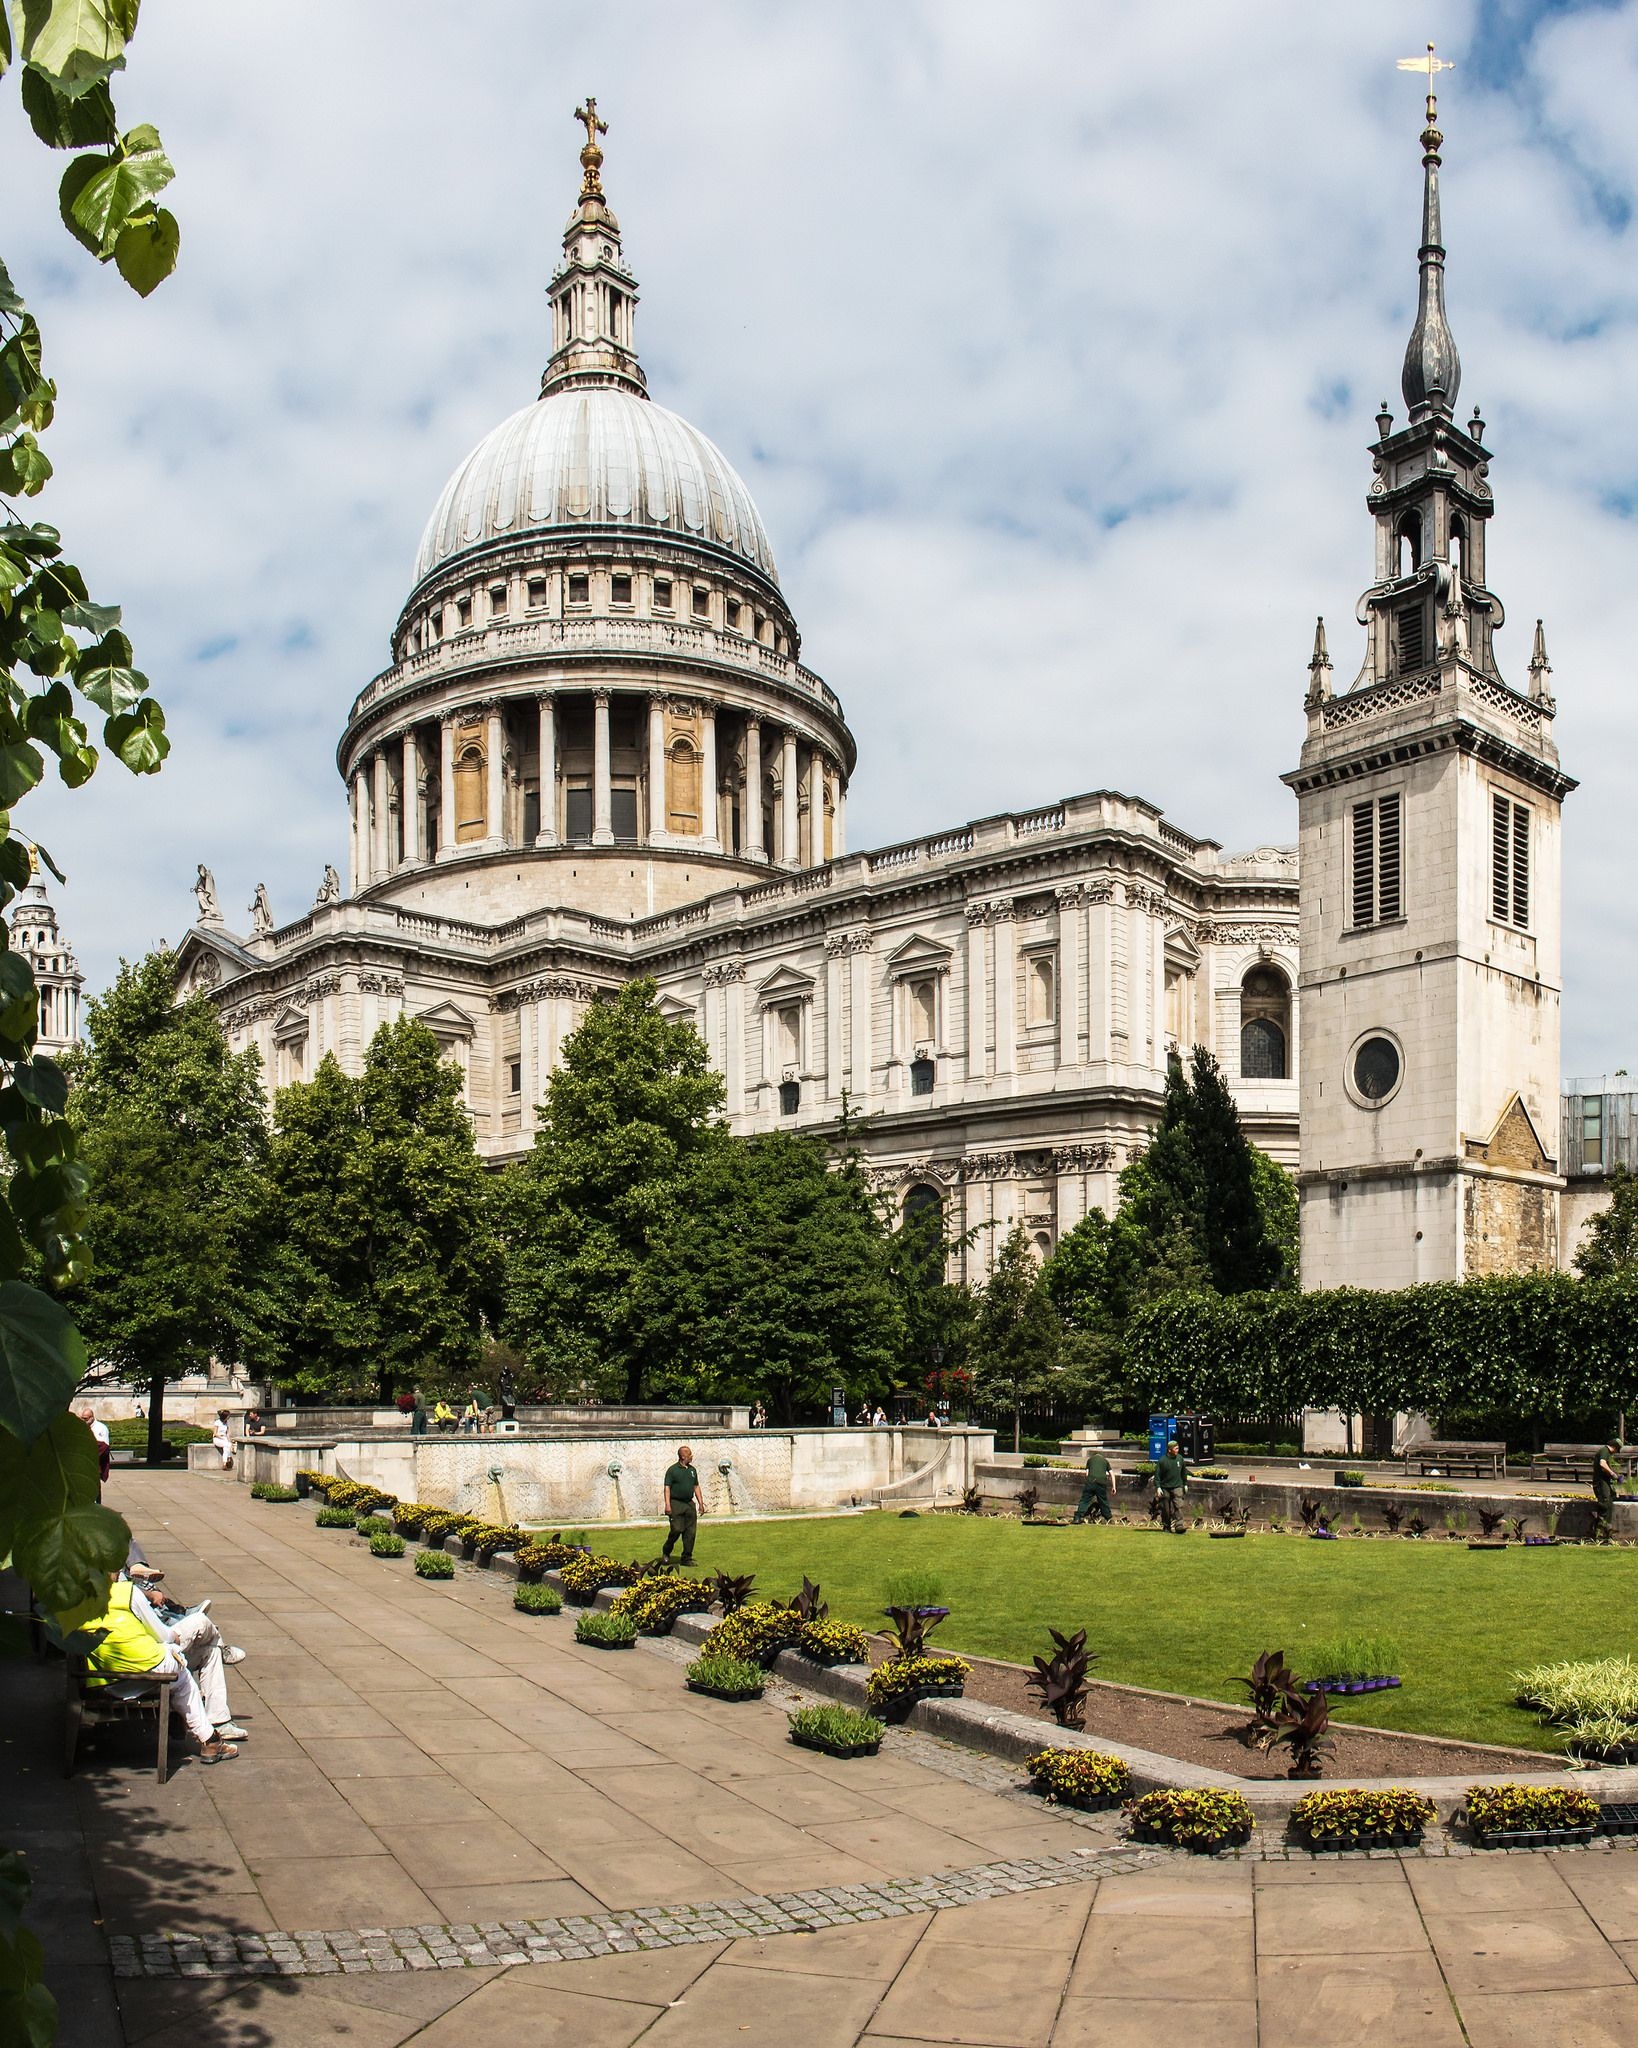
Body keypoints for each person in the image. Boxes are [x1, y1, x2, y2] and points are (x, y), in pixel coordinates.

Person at [81, 1574, 243, 1762]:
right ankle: (210, 1739)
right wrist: (174, 1639)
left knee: (209, 1652)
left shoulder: (72, 1600)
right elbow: (162, 1635)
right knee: (191, 1642)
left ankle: (217, 1722)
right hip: (146, 1675)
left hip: (104, 1681)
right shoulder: (127, 1592)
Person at [661, 1445, 706, 1565]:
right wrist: (667, 1504)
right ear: (683, 1456)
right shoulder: (672, 1470)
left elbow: (696, 1486)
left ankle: (686, 1558)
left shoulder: (692, 1470)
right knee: (676, 1529)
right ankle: (666, 1551)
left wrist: (701, 1503)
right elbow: (667, 1488)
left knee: (690, 1532)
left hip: (689, 1504)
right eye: (689, 1454)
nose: (692, 1456)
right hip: (676, 1503)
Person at [1154, 1437, 1189, 1533]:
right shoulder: (1162, 1461)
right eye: (1176, 1449)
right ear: (1169, 1450)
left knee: (1179, 1506)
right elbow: (1157, 1476)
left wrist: (1185, 1484)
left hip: (1177, 1486)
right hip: (1165, 1487)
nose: (1178, 1450)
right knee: (1165, 1508)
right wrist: (1158, 1487)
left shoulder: (1180, 1458)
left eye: (1178, 1448)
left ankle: (1179, 1526)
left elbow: (1183, 1472)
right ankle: (1166, 1526)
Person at [1072, 1446, 1114, 1524]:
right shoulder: (1105, 1461)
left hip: (1091, 1482)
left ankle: (1077, 1517)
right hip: (1101, 1483)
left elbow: (1087, 1474)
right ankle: (1108, 1518)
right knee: (1103, 1501)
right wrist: (1114, 1487)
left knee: (1084, 1500)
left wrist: (1089, 1483)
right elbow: (1112, 1474)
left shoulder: (1090, 1460)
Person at [78, 1407, 112, 1490]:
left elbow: (103, 1448)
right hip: (83, 1463)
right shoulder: (81, 1427)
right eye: (82, 1418)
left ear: (92, 1418)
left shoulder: (101, 1428)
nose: (83, 1420)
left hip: (95, 1464)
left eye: (85, 1418)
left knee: (94, 1488)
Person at [1593, 1440, 1620, 1543]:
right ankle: (1599, 1534)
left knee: (1609, 1502)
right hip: (1600, 1482)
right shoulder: (1604, 1451)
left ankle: (1607, 1532)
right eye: (1616, 1450)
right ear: (1614, 1447)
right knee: (1604, 1505)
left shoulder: (1606, 1452)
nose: (1615, 1452)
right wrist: (1612, 1474)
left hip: (1605, 1482)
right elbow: (1602, 1464)